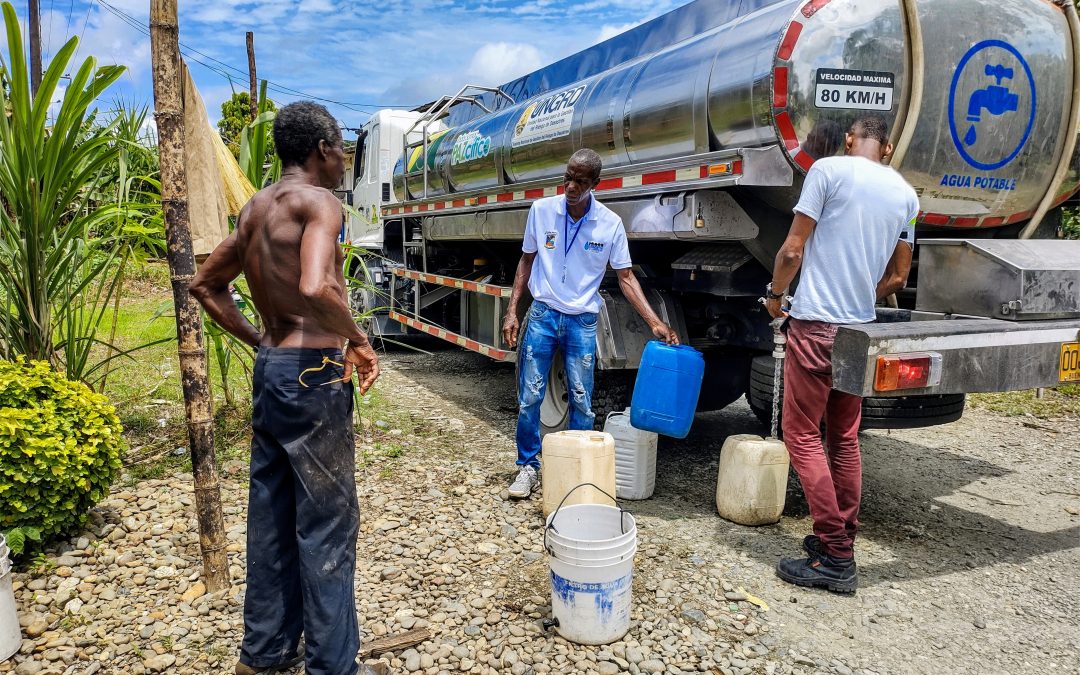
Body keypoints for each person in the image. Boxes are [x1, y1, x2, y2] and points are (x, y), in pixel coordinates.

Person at [191, 101, 381, 675]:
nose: (346, 159)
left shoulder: (254, 208)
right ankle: (333, 667)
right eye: (343, 148)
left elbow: (205, 284)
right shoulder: (320, 203)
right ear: (323, 150)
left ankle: (265, 653)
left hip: (273, 369)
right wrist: (360, 340)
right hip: (314, 375)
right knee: (327, 522)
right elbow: (318, 282)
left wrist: (259, 340)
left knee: (271, 516)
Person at [763, 115, 916, 594]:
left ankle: (835, 555)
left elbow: (792, 250)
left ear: (850, 140)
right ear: (887, 148)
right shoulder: (907, 196)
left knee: (801, 435)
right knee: (844, 438)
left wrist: (774, 295)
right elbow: (898, 278)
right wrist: (859, 294)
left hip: (814, 324)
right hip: (857, 329)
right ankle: (840, 534)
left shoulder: (827, 171)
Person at [501, 148, 679, 499]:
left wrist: (655, 322)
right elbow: (526, 262)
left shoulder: (609, 223)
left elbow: (626, 278)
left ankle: (576, 469)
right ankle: (528, 467)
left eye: (580, 181)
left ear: (595, 184)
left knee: (582, 400)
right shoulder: (542, 211)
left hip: (583, 321)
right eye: (567, 177)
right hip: (543, 315)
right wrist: (512, 311)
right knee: (530, 396)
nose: (570, 186)